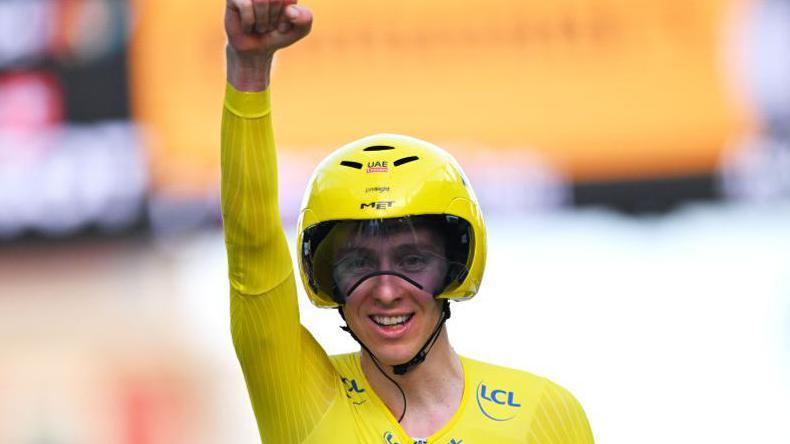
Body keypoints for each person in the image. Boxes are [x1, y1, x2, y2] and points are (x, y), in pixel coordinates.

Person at [221, 1, 594, 442]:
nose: (385, 289)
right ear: (328, 279)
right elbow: (253, 242)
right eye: (358, 264)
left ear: (456, 266)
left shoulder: (543, 412)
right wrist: (248, 68)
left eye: (412, 259)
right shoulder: (301, 394)